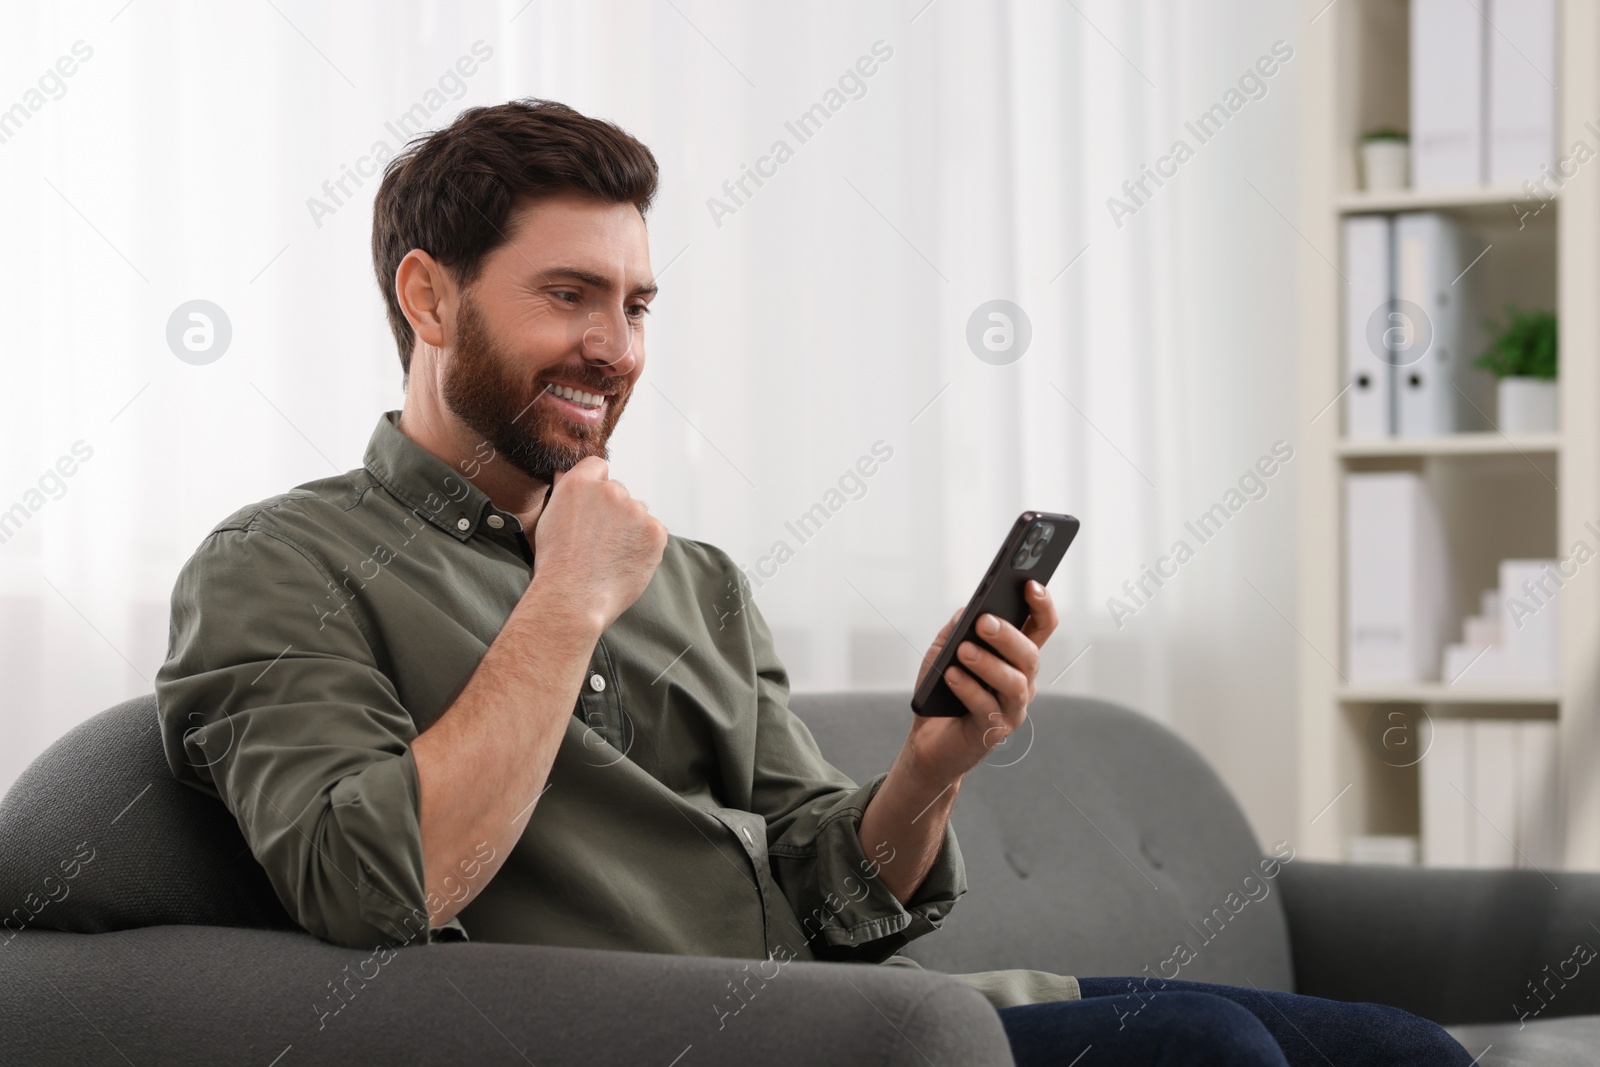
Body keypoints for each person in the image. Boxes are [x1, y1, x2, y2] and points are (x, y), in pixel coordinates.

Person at [154, 98, 1470, 1066]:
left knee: (1406, 1053)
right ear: (429, 300)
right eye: (570, 295)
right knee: (1212, 1055)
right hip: (698, 1043)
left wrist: (935, 765)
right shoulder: (277, 569)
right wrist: (564, 600)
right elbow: (374, 890)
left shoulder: (696, 578)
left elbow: (835, 898)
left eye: (639, 305)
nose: (614, 349)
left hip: (866, 1016)